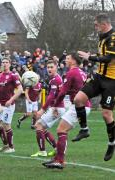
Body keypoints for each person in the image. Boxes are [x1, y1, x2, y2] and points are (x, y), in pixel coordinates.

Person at [73, 13, 115, 161]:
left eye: (96, 24)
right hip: (99, 77)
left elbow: (108, 58)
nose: (95, 27)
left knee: (106, 114)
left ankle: (111, 143)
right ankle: (84, 129)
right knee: (78, 99)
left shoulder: (113, 38)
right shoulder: (102, 36)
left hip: (111, 81)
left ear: (103, 24)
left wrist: (89, 57)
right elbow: (101, 56)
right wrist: (92, 58)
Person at [43, 53, 91, 169]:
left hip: (79, 106)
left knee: (61, 130)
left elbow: (63, 91)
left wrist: (54, 105)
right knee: (62, 131)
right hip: (84, 105)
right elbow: (77, 89)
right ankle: (58, 159)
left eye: (68, 59)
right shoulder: (81, 72)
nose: (65, 60)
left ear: (73, 61)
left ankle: (59, 160)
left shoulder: (71, 72)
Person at [31, 60, 65, 157]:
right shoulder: (54, 78)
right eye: (48, 67)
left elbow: (51, 96)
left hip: (57, 108)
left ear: (56, 67)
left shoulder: (55, 79)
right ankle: (56, 148)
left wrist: (42, 109)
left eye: (51, 67)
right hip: (57, 107)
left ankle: (42, 151)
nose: (49, 69)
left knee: (38, 125)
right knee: (43, 128)